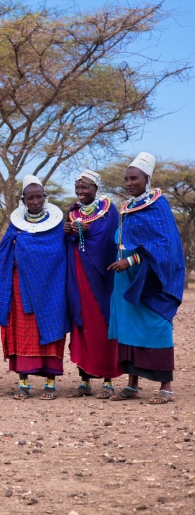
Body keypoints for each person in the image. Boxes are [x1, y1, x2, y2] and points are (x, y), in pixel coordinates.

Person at [108, 152, 185, 404]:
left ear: (147, 178)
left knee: (156, 326)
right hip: (125, 277)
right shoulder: (128, 207)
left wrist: (130, 260)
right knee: (128, 327)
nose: (129, 183)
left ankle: (166, 387)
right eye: (126, 179)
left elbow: (165, 245)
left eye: (134, 178)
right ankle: (132, 385)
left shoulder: (158, 205)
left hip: (150, 276)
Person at [0, 175, 69, 400]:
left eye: (39, 198)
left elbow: (59, 254)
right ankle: (23, 383)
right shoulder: (15, 227)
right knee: (22, 333)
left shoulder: (57, 227)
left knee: (51, 331)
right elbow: (4, 252)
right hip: (20, 288)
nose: (35, 202)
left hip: (51, 289)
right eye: (30, 198)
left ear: (45, 198)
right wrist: (19, 247)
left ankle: (50, 384)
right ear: (22, 200)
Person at [64, 170, 122, 399]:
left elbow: (110, 238)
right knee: (81, 324)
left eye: (85, 187)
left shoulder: (108, 211)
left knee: (103, 325)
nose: (80, 191)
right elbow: (70, 241)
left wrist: (87, 232)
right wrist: (68, 231)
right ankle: (85, 379)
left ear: (96, 189)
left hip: (102, 277)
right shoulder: (73, 211)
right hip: (78, 274)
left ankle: (108, 380)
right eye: (78, 186)